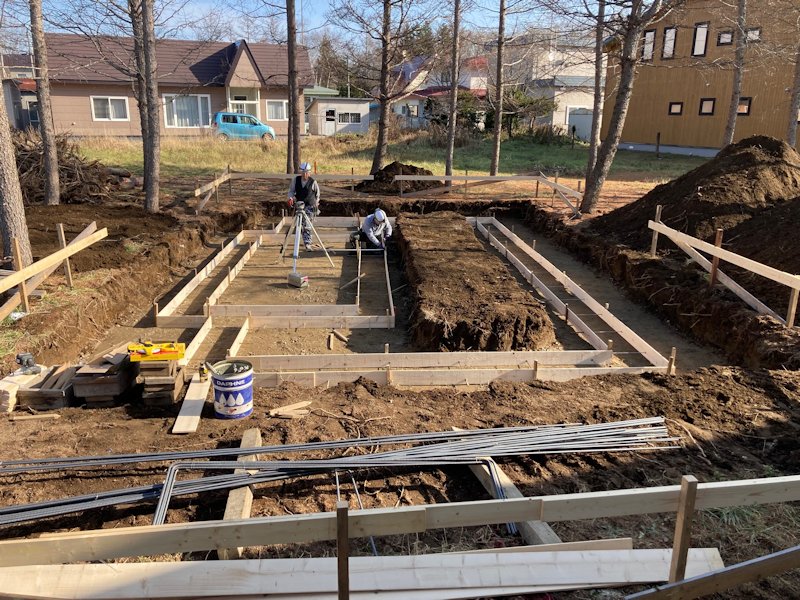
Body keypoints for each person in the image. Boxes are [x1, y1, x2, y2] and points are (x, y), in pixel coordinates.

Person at [287, 162, 320, 251]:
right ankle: (296, 241)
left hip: (310, 206)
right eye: (303, 172)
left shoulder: (313, 182)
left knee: (307, 225)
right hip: (300, 205)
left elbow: (317, 194)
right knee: (299, 225)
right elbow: (291, 191)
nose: (305, 174)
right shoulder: (296, 180)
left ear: (309, 173)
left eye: (307, 172)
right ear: (300, 172)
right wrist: (290, 198)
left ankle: (308, 243)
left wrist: (316, 203)